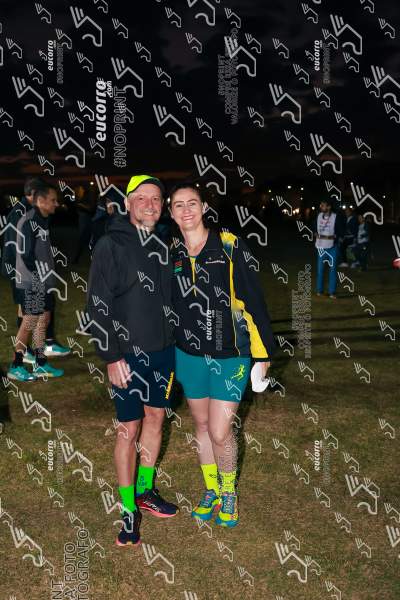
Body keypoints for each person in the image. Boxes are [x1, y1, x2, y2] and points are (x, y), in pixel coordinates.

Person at [169, 182, 276, 528]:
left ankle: (228, 491)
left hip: (231, 353)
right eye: (179, 205)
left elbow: (253, 300)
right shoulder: (171, 251)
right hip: (188, 354)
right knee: (201, 425)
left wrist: (263, 354)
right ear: (171, 212)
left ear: (204, 207)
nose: (186, 210)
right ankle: (211, 489)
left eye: (192, 203)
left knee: (219, 429)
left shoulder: (229, 245)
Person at [87, 174, 178, 547]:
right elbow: (97, 305)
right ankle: (128, 510)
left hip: (165, 353)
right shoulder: (110, 244)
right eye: (142, 198)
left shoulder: (166, 243)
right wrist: (111, 356)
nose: (150, 204)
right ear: (127, 203)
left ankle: (144, 490)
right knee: (129, 428)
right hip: (126, 356)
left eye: (156, 199)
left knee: (156, 418)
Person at [1, 176, 70, 364]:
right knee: (30, 316)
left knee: (38, 315)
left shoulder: (36, 213)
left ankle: (41, 352)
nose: (55, 203)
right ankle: (23, 356)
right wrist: (35, 276)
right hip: (25, 274)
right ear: (35, 195)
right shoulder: (23, 214)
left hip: (32, 274)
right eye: (51, 198)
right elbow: (21, 250)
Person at [314, 199, 345, 299]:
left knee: (333, 270)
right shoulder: (319, 216)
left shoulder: (336, 217)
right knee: (320, 270)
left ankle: (332, 292)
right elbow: (313, 226)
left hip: (332, 247)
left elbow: (341, 230)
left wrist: (337, 236)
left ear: (329, 207)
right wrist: (314, 232)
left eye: (323, 205)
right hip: (321, 247)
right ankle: (319, 291)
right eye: (321, 205)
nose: (321, 207)